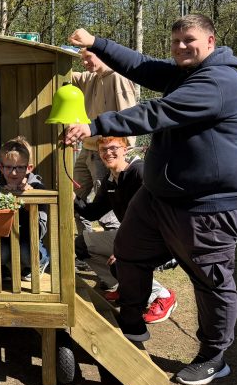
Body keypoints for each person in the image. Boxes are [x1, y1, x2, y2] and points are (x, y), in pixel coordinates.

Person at [64, 14, 237, 385]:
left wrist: (96, 125)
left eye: (190, 40)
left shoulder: (217, 81)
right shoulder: (185, 73)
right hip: (159, 197)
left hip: (207, 204)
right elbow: (141, 66)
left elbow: (159, 112)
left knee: (210, 280)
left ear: (211, 42)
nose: (181, 46)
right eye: (176, 41)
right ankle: (132, 325)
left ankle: (214, 356)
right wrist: (96, 42)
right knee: (130, 252)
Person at [74, 136, 177, 324]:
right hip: (131, 236)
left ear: (125, 149)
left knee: (121, 263)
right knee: (81, 245)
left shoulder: (140, 173)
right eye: (103, 150)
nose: (108, 153)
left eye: (113, 148)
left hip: (159, 239)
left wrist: (123, 249)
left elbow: (155, 217)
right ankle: (125, 288)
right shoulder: (111, 180)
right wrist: (73, 197)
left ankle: (162, 295)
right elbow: (92, 213)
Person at [71, 49, 137, 264]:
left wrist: (116, 151)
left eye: (88, 58)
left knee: (107, 205)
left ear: (103, 56)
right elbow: (64, 74)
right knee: (75, 196)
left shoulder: (117, 77)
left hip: (106, 151)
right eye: (82, 59)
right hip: (87, 149)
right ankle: (86, 248)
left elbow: (130, 116)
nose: (85, 63)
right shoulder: (90, 77)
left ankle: (118, 252)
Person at [0, 136, 49, 281]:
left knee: (26, 253)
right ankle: (4, 267)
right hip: (4, 238)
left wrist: (27, 200)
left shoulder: (37, 188)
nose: (13, 173)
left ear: (29, 168)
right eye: (9, 167)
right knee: (0, 253)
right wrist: (4, 197)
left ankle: (39, 261)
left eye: (19, 168)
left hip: (29, 238)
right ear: (1, 167)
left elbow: (41, 228)